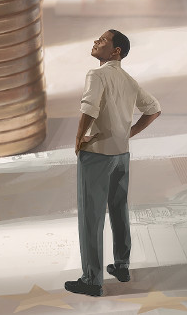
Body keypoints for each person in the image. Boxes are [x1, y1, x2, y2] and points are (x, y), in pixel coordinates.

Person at [64, 29, 161, 297]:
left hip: (97, 153)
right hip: (121, 154)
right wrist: (127, 133)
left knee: (91, 217)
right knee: (119, 209)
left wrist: (78, 139)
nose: (96, 42)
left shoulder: (96, 74)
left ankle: (92, 280)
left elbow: (89, 108)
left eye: (103, 41)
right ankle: (122, 266)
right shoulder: (128, 80)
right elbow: (154, 109)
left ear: (115, 51)